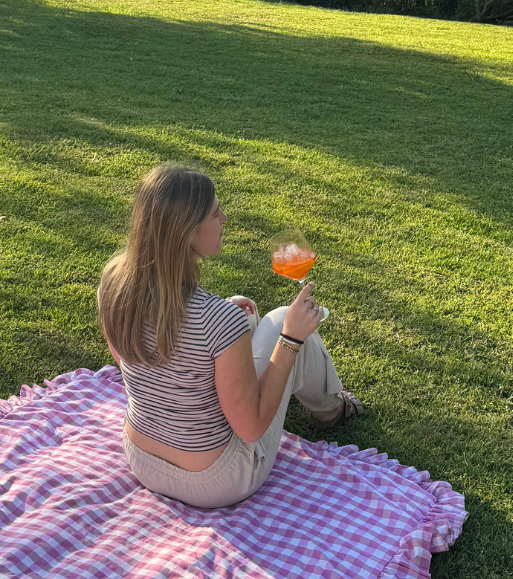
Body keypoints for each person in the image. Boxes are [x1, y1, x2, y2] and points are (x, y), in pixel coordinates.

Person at [98, 163, 364, 509]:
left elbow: (130, 362)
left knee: (255, 321)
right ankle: (330, 410)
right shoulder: (218, 320)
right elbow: (250, 428)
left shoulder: (113, 285)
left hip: (144, 460)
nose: (224, 218)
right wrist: (291, 339)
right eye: (214, 213)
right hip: (217, 481)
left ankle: (328, 403)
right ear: (187, 232)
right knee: (283, 318)